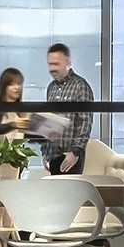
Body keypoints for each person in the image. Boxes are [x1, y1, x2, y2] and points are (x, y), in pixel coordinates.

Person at [37, 42, 96, 172]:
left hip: (71, 157)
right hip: (53, 155)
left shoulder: (81, 86)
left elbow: (85, 123)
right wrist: (46, 152)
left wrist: (75, 152)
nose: (52, 68)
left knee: (72, 191)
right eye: (50, 64)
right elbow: (48, 122)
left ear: (68, 62)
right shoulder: (51, 88)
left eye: (56, 64)